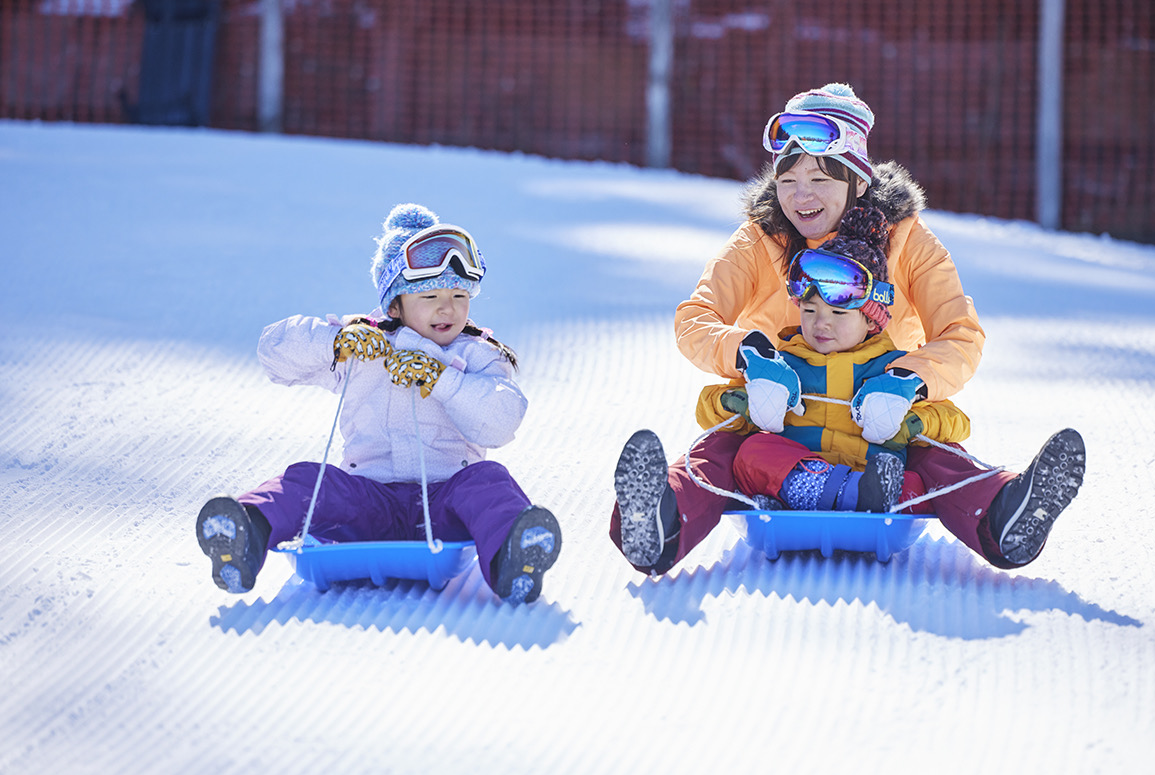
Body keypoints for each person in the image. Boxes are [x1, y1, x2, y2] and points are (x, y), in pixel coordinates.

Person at [611, 82, 1085, 575]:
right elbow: (695, 318)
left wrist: (908, 380)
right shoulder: (760, 240)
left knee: (939, 459)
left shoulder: (908, 242)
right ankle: (660, 523)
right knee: (723, 451)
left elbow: (961, 334)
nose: (802, 195)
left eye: (820, 178)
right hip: (783, 414)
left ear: (859, 181)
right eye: (788, 179)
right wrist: (748, 355)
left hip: (877, 418)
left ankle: (1007, 515)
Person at [196, 203, 561, 604]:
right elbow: (274, 354)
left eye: (460, 294)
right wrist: (332, 343)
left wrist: (444, 381)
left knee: (488, 480)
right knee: (308, 480)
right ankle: (244, 534)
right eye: (430, 295)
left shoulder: (476, 355)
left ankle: (515, 560)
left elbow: (502, 421)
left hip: (444, 503)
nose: (448, 308)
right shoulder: (364, 345)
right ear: (394, 304)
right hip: (368, 502)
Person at [694, 204, 972, 516]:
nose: (820, 323)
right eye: (809, 311)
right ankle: (838, 493)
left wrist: (913, 423)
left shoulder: (893, 369)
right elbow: (707, 407)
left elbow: (957, 422)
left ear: (871, 321)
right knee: (752, 452)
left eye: (838, 313)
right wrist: (742, 404)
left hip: (874, 475)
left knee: (917, 480)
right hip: (801, 472)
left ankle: (874, 494)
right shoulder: (786, 363)